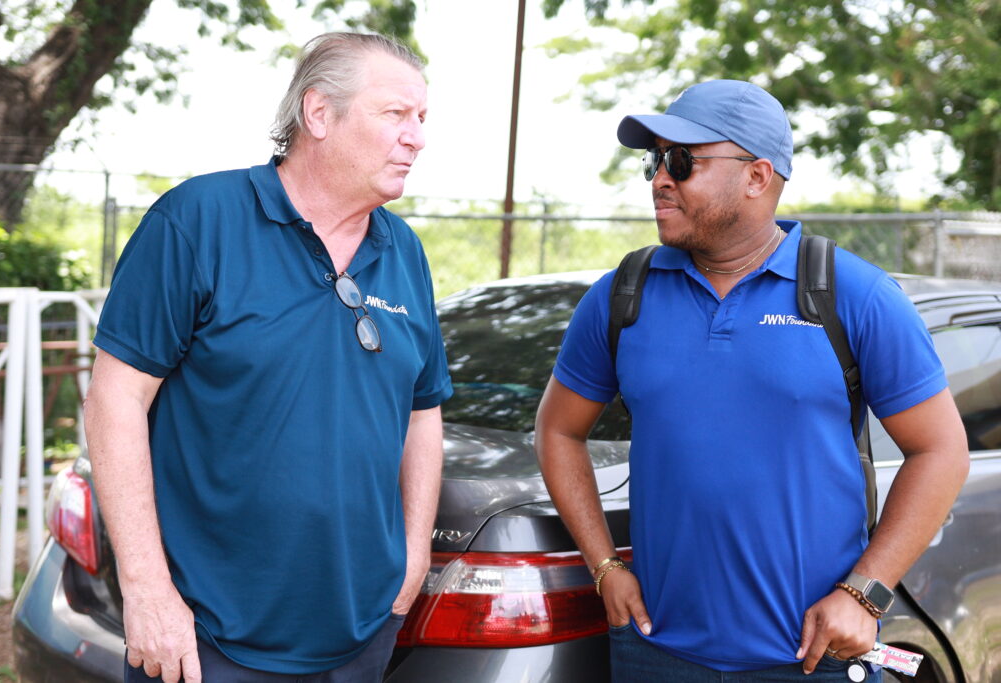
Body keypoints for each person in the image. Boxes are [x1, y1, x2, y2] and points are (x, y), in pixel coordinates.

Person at [534, 79, 968, 681]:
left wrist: (865, 592)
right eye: (655, 161)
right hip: (654, 652)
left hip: (810, 657)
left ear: (757, 176)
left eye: (682, 161)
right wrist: (604, 566)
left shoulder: (854, 296)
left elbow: (941, 451)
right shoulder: (622, 296)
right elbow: (558, 431)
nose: (659, 179)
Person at [83, 32, 452, 683]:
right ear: (319, 113)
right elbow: (116, 399)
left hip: (362, 632)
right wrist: (145, 589)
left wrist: (415, 550)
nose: (417, 137)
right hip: (206, 638)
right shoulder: (198, 222)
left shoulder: (406, 253)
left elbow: (422, 412)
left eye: (422, 118)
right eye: (396, 114)